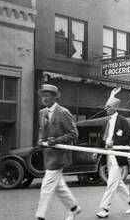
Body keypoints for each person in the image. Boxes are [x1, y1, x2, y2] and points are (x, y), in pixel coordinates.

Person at [35, 84, 81, 220]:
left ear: (54, 97)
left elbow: (74, 134)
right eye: (43, 95)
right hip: (48, 156)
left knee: (47, 185)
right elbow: (41, 130)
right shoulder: (42, 112)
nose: (45, 98)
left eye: (48, 95)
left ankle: (40, 215)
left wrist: (56, 140)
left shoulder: (63, 112)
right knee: (59, 187)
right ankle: (74, 208)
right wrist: (40, 140)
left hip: (60, 156)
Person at [95, 88, 130, 218]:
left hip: (118, 156)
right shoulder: (106, 121)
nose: (106, 109)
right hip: (107, 155)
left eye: (108, 107)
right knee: (116, 182)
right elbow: (101, 138)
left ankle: (105, 209)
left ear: (114, 108)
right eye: (106, 107)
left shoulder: (123, 121)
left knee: (111, 182)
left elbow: (129, 137)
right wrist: (97, 151)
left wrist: (115, 141)